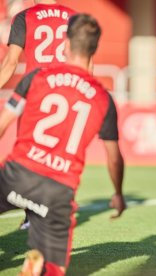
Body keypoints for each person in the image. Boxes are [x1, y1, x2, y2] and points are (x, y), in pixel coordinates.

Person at [0, 13, 126, 275]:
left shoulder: (36, 77)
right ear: (94, 50)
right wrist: (118, 193)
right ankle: (38, 261)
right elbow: (114, 157)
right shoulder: (103, 100)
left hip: (15, 175)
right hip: (57, 192)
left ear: (65, 45)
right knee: (50, 268)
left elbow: (3, 124)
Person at [0, 0, 75, 230]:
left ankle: (32, 211)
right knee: (55, 156)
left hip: (34, 92)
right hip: (64, 93)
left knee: (28, 153)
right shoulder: (73, 16)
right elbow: (83, 61)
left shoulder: (25, 17)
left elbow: (11, 62)